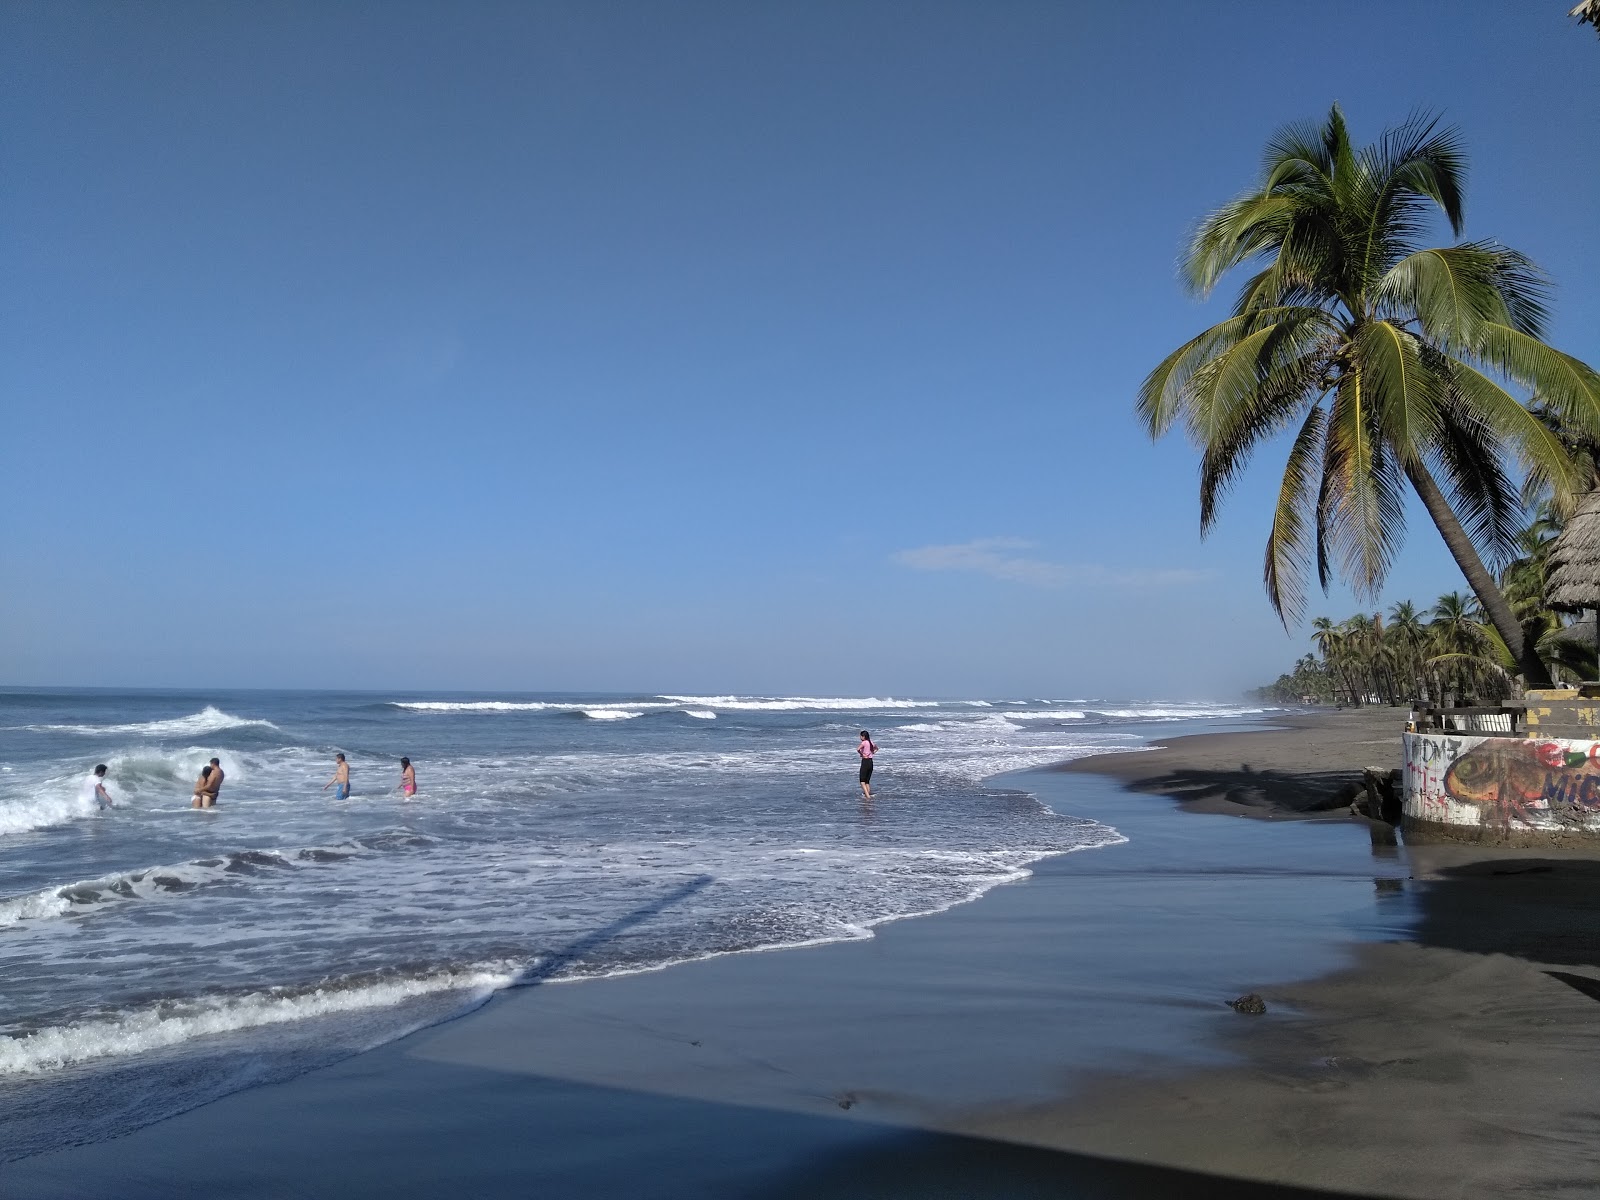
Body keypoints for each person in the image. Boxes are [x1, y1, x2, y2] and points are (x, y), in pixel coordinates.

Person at [857, 730, 878, 800]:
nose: (860, 737)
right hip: (870, 762)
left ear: (863, 736)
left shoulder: (864, 742)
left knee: (862, 781)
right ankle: (868, 794)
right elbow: (876, 748)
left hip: (865, 761)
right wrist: (872, 753)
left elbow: (857, 749)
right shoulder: (871, 742)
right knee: (867, 781)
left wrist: (861, 754)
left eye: (861, 736)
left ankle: (867, 796)